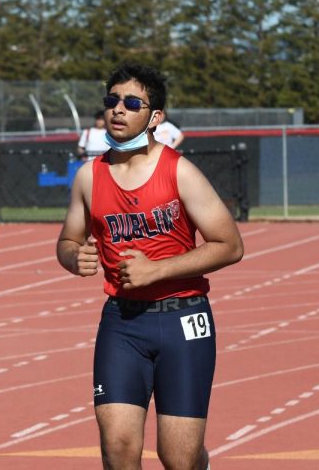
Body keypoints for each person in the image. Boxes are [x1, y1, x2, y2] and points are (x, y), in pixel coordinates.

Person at [56, 63, 243, 470]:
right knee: (119, 449)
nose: (118, 110)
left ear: (155, 116)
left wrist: (157, 270)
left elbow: (230, 245)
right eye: (111, 101)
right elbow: (68, 241)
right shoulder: (90, 176)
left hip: (184, 320)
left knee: (178, 457)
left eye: (131, 102)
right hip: (122, 324)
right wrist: (75, 257)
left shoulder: (180, 172)